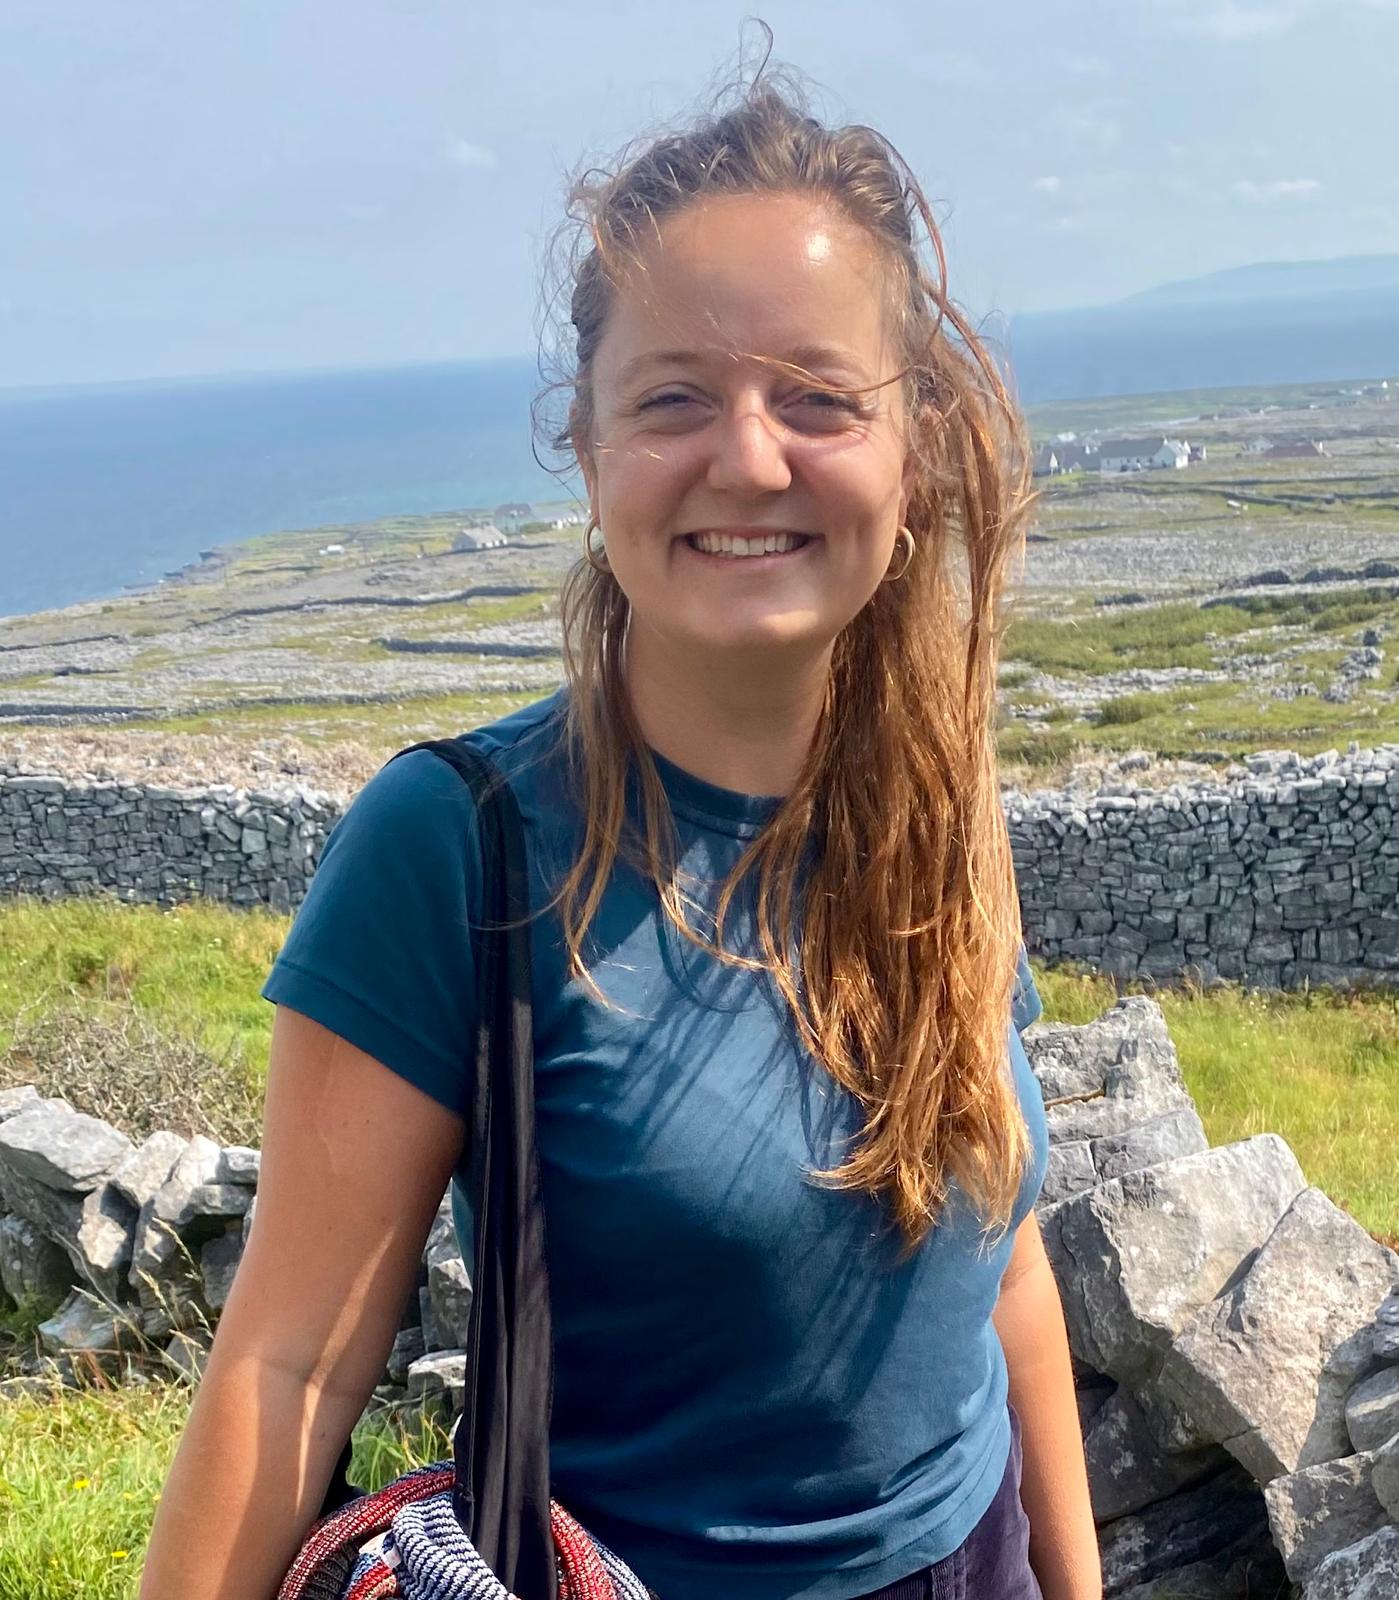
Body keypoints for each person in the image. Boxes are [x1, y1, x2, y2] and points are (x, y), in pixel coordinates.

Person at [138, 45, 1101, 1600]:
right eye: (674, 400)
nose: (749, 456)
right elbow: (286, 1371)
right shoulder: (459, 847)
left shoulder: (938, 799)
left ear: (910, 448)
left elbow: (1002, 1260)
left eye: (817, 397)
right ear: (588, 455)